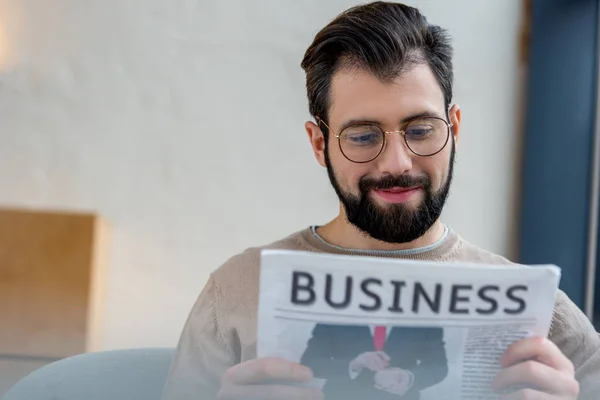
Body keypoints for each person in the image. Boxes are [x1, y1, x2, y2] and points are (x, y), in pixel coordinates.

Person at [160, 2, 598, 399]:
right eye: (364, 136)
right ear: (319, 145)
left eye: (421, 130)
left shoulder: (536, 311)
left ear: (455, 129)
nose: (397, 162)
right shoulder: (236, 292)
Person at [299, 324, 448, 399]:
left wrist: (409, 377)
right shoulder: (334, 314)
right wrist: (353, 364)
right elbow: (311, 362)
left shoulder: (424, 319)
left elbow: (438, 365)